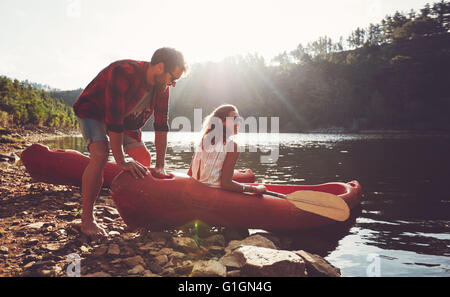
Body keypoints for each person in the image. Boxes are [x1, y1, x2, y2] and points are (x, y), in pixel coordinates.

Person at [73, 47, 186, 238]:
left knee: (144, 157)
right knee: (100, 155)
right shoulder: (123, 72)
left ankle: (139, 212)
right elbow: (113, 121)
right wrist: (122, 160)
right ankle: (87, 220)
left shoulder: (162, 89)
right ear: (159, 67)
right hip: (93, 112)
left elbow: (161, 126)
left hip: (125, 120)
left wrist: (160, 165)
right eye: (172, 78)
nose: (172, 84)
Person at [187, 104, 267, 194]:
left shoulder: (203, 141)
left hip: (194, 190)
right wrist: (254, 189)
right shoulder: (232, 146)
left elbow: (190, 174)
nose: (239, 122)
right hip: (212, 195)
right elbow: (226, 184)